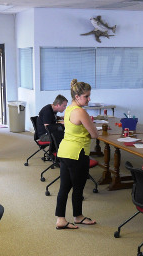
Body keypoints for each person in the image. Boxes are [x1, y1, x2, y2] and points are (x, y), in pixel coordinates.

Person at [54, 79, 98, 230]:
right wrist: (90, 129)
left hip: (65, 151)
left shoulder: (69, 109)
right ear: (77, 96)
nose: (89, 99)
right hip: (77, 154)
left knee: (64, 188)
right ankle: (78, 217)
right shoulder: (81, 111)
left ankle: (61, 219)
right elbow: (94, 134)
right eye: (86, 96)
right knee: (78, 187)